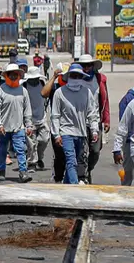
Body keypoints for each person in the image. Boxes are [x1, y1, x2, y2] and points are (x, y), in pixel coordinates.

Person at [51, 64, 100, 185]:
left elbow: (92, 114)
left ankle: (66, 185)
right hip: (66, 132)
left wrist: (94, 130)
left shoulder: (86, 92)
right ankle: (74, 186)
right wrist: (56, 134)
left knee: (74, 162)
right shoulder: (59, 93)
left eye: (78, 76)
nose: (76, 78)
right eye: (73, 75)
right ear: (68, 77)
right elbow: (55, 116)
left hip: (81, 133)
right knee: (71, 160)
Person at [0, 63, 33, 183]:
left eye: (16, 74)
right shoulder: (0, 91)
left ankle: (23, 172)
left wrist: (29, 125)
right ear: (6, 75)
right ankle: (1, 171)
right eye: (12, 74)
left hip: (18, 127)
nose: (14, 76)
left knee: (20, 150)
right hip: (3, 128)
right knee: (2, 150)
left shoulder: (23, 91)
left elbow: (27, 110)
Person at [74, 54, 110, 183]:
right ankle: (82, 175)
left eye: (89, 65)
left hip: (96, 120)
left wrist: (106, 119)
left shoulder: (100, 79)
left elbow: (105, 101)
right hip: (80, 121)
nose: (86, 68)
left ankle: (88, 169)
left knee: (95, 151)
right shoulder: (75, 79)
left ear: (93, 66)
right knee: (82, 150)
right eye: (84, 66)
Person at [23, 66, 50, 171]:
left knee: (44, 139)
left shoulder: (42, 84)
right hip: (30, 120)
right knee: (31, 144)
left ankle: (40, 157)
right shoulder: (24, 86)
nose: (34, 80)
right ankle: (31, 163)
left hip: (42, 118)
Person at [113, 84, 134, 186]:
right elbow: (122, 128)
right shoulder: (130, 104)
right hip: (130, 145)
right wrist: (117, 149)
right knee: (128, 175)